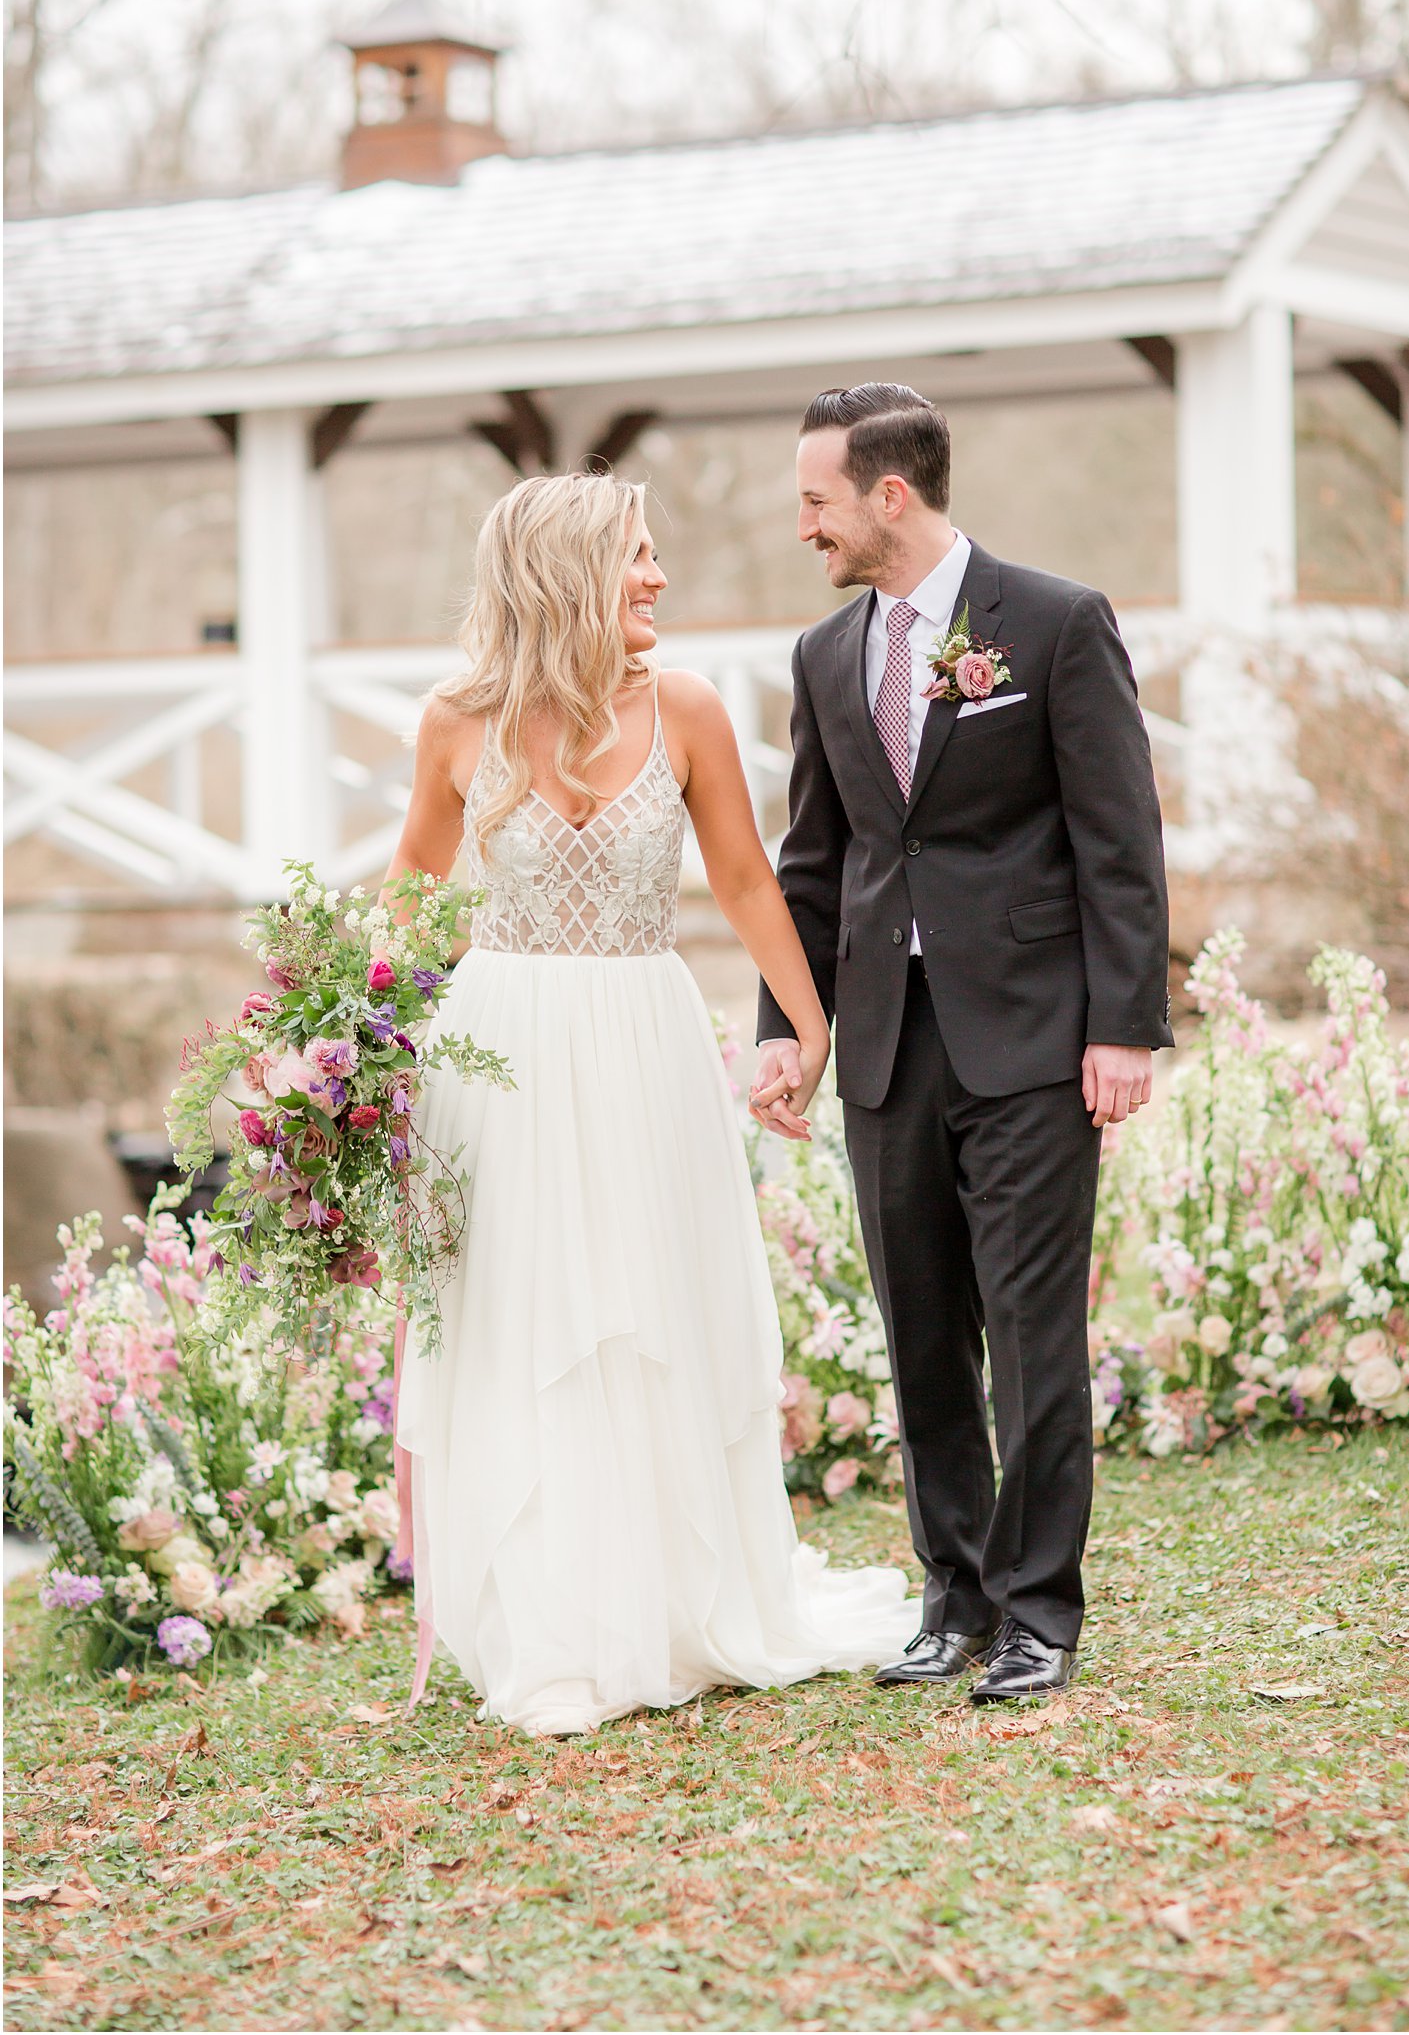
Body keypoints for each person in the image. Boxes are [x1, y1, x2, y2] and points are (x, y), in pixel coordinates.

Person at [386, 470, 917, 1736]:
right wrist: (337, 1051)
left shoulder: (683, 708)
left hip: (641, 1039)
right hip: (498, 1054)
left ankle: (675, 1606)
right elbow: (408, 895)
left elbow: (743, 882)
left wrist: (804, 1024)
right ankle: (553, 1637)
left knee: (647, 1311)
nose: (656, 577)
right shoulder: (455, 721)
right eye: (634, 555)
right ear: (566, 572)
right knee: (524, 1326)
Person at [752, 384, 1171, 1703]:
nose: (800, 523)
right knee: (922, 1327)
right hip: (884, 1044)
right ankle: (955, 1596)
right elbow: (812, 862)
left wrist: (1126, 1026)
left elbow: (1119, 839)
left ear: (889, 495)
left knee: (1036, 1330)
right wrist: (787, 1029)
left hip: (1038, 1038)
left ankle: (1040, 1612)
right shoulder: (824, 659)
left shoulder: (1055, 622)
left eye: (816, 498)